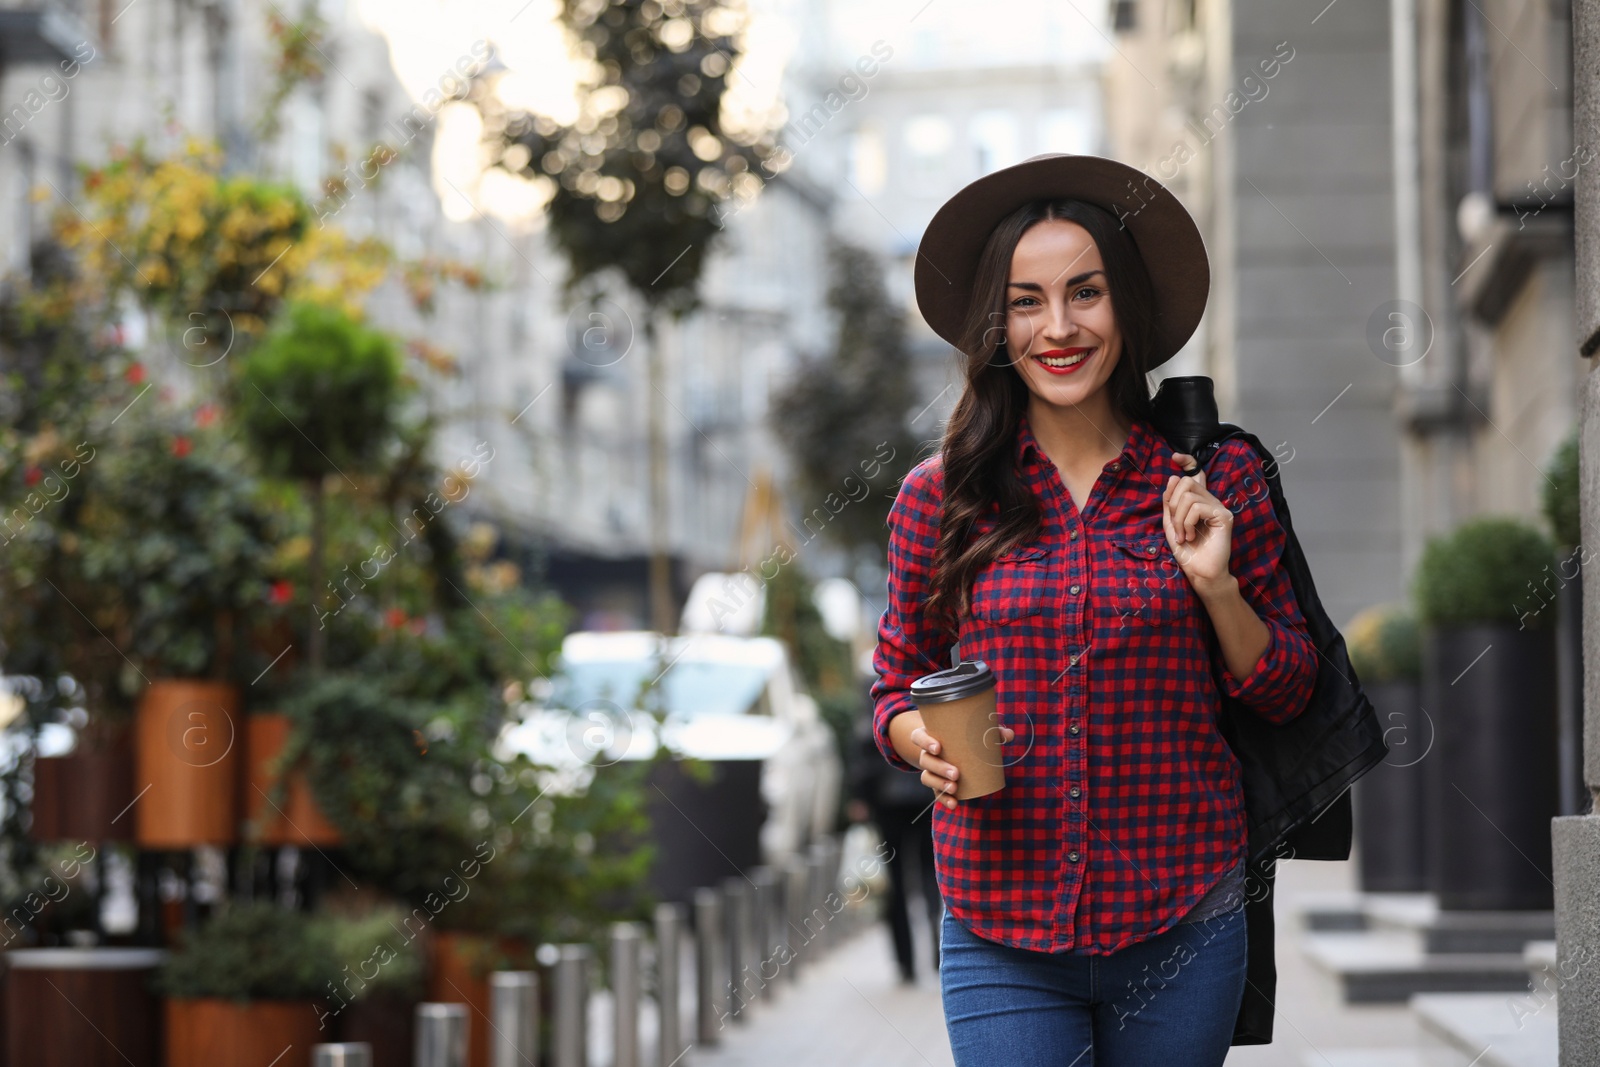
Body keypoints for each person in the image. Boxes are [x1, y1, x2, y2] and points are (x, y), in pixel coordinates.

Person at [869, 154, 1319, 1067]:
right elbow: (894, 685)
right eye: (1028, 301)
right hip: (1002, 924)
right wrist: (924, 743)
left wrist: (1216, 585)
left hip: (1183, 914)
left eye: (1087, 292)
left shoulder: (1213, 480)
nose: (1059, 327)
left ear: (1129, 308)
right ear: (998, 323)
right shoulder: (938, 498)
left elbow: (1288, 689)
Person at [846, 709, 943, 984]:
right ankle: (938, 953)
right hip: (926, 794)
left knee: (896, 883)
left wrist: (860, 797)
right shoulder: (925, 689)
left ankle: (905, 962)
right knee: (931, 877)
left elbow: (864, 748)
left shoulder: (879, 694)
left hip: (887, 802)